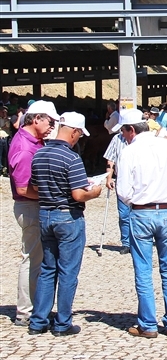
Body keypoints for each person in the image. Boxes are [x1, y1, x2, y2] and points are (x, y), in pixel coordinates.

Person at [28, 112, 103, 336]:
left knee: (47, 269)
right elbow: (78, 194)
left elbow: (33, 188)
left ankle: (38, 320)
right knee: (68, 271)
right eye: (79, 135)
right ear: (74, 131)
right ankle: (62, 323)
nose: (78, 140)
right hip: (68, 216)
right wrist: (95, 192)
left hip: (46, 214)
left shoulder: (39, 154)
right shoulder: (71, 158)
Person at [116, 112, 167, 338]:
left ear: (131, 130)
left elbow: (123, 191)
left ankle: (147, 323)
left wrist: (138, 200)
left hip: (142, 212)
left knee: (144, 269)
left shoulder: (129, 151)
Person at [8, 101, 59, 327]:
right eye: (50, 121)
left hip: (33, 205)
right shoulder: (24, 147)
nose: (52, 125)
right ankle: (26, 310)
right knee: (33, 259)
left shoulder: (33, 142)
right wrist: (51, 194)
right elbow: (22, 188)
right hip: (30, 206)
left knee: (37, 259)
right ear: (36, 118)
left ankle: (35, 306)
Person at [103, 109, 141, 255]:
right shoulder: (117, 139)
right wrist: (108, 178)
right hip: (122, 179)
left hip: (138, 180)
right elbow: (110, 159)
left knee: (138, 212)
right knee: (124, 213)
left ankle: (138, 240)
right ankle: (126, 242)